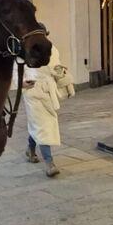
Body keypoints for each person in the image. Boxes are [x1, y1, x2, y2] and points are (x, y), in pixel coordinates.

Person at [22, 42, 75, 177]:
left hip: (48, 91)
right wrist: (22, 83)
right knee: (42, 125)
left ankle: (30, 149)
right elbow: (17, 70)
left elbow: (57, 68)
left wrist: (64, 79)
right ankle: (49, 163)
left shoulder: (52, 49)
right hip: (32, 91)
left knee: (40, 124)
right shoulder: (23, 50)